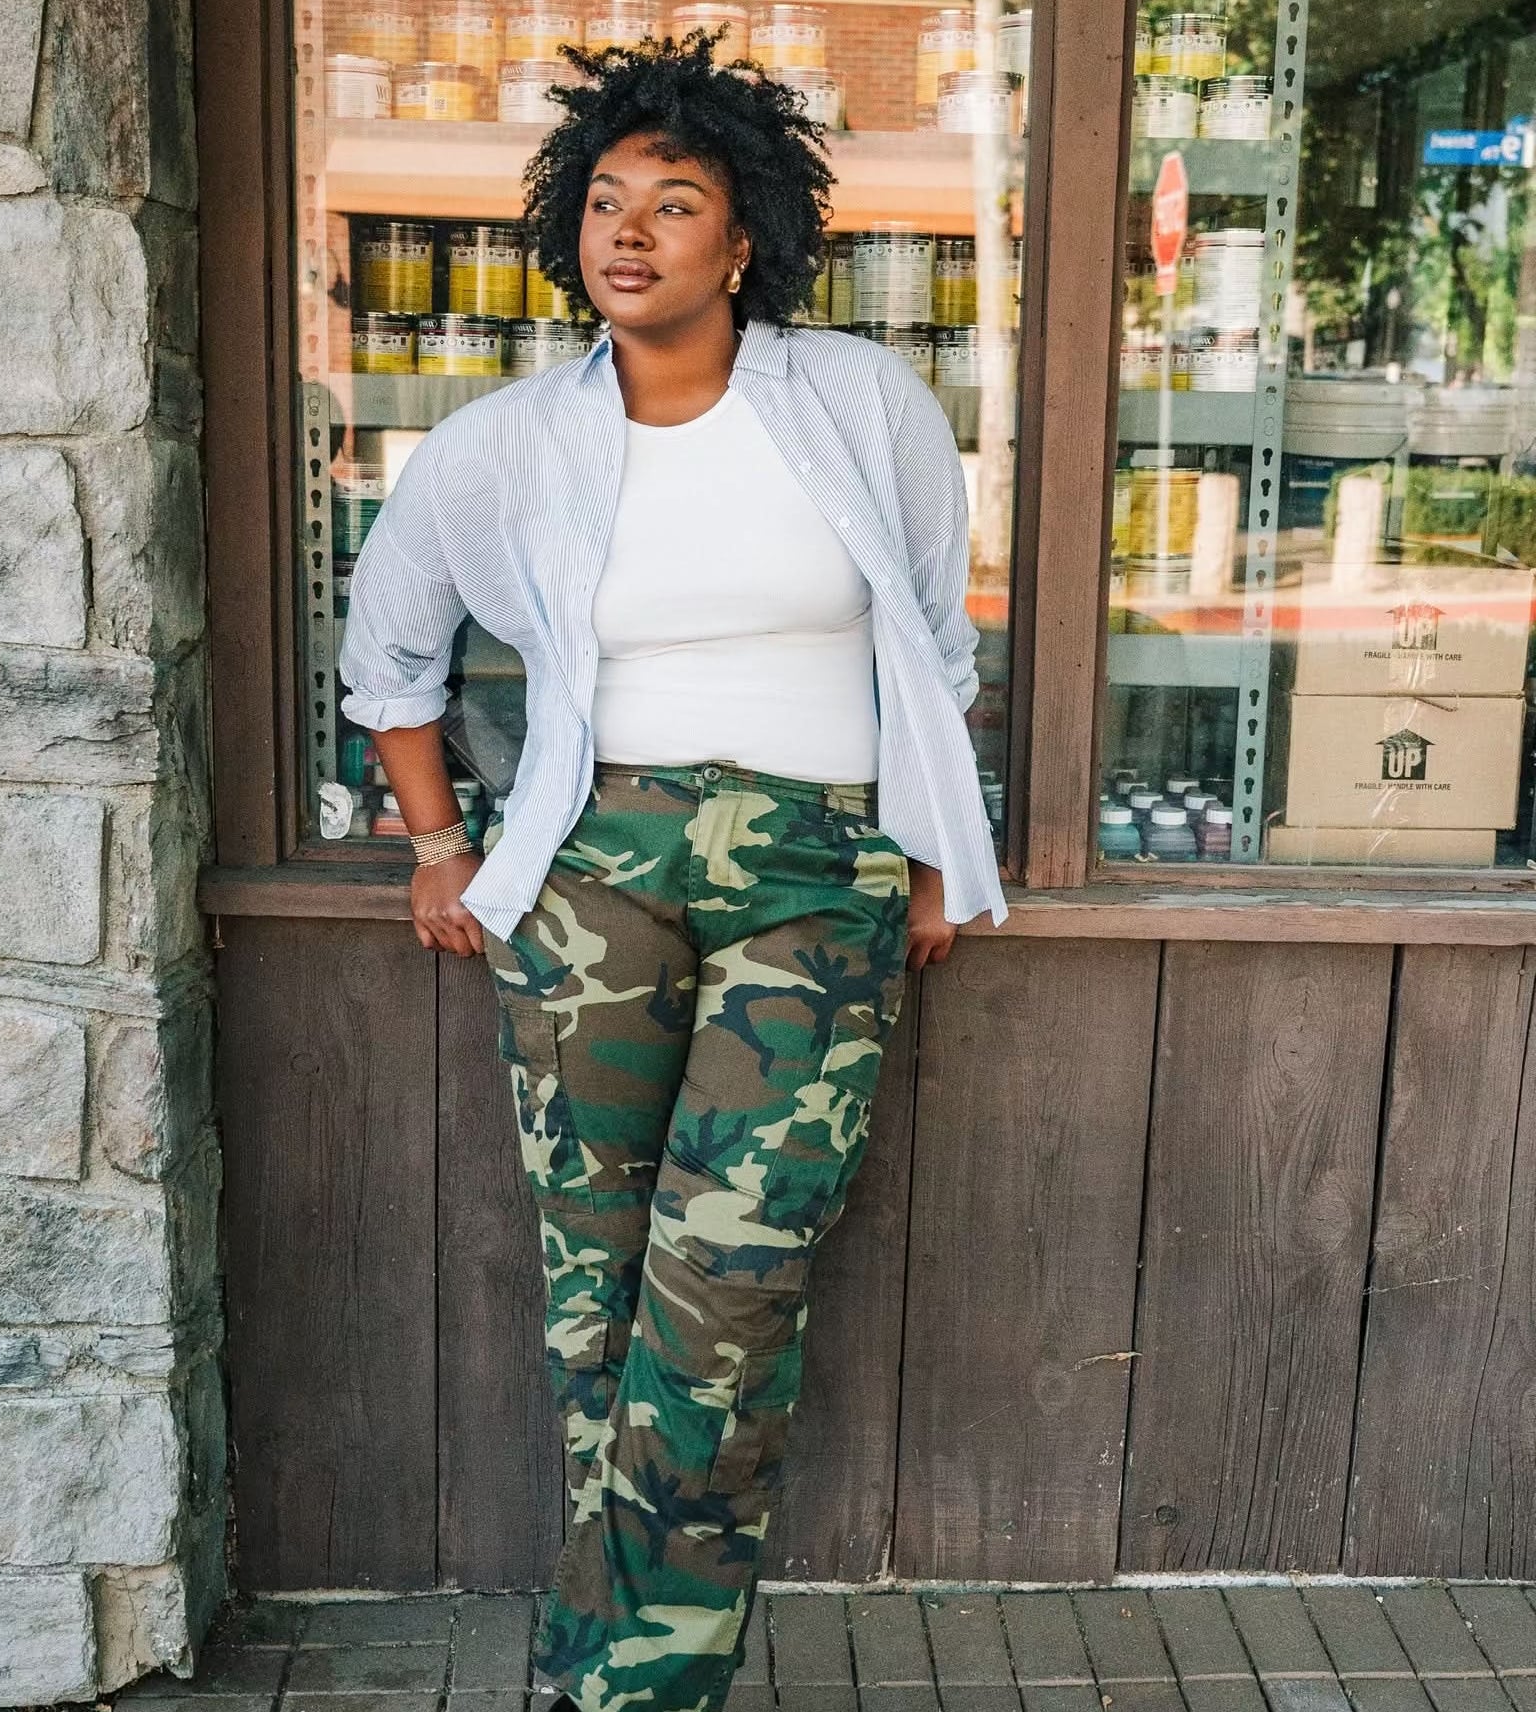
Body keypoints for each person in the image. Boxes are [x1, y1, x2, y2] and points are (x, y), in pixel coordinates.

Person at [338, 32, 1006, 1712]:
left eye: (676, 202)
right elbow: (390, 654)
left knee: (730, 1289)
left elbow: (934, 642)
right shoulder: (505, 443)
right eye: (607, 201)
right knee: (597, 1297)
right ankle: (610, 1669)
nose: (629, 232)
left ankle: (633, 1683)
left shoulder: (859, 403)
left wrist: (928, 857)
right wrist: (439, 843)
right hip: (596, 867)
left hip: (812, 865)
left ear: (747, 240)